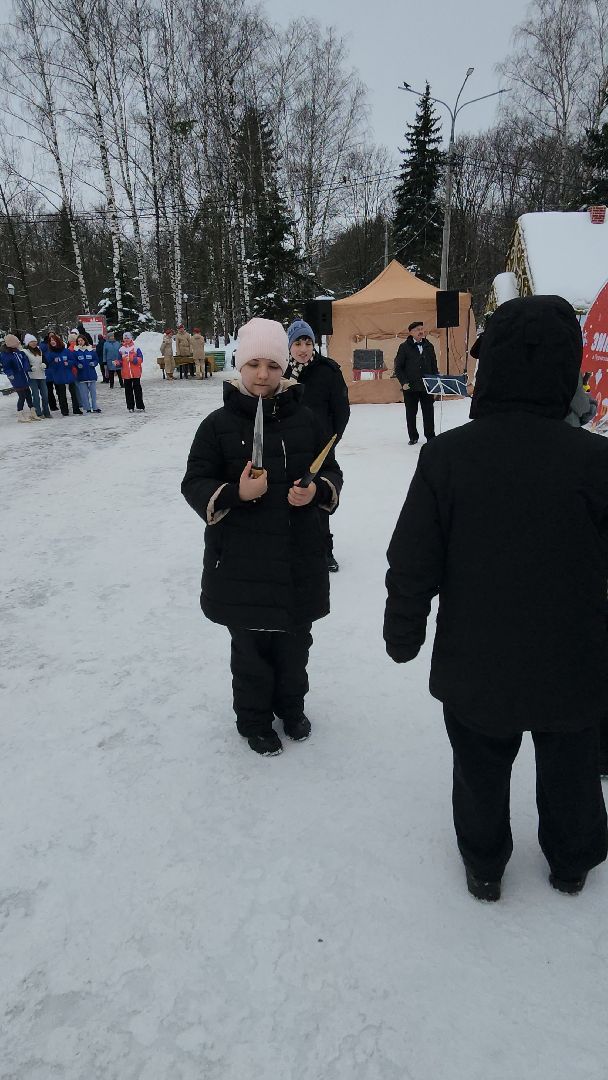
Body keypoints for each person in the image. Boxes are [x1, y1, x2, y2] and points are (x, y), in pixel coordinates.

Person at [384, 295, 608, 902]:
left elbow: (412, 559)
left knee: (479, 769)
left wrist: (403, 629)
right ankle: (571, 859)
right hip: (576, 660)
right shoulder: (596, 461)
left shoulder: (449, 457)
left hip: (476, 660)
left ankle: (485, 864)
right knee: (572, 768)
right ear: (567, 369)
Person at [181, 316, 342, 757]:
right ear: (240, 364)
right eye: (253, 363)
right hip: (241, 564)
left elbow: (331, 472)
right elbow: (194, 482)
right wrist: (235, 491)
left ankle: (291, 707)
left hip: (296, 559)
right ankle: (253, 718)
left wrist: (314, 491)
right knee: (250, 651)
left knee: (295, 645)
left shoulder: (307, 421)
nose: (262, 374)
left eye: (272, 365)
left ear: (284, 366)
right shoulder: (216, 425)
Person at [286, 318, 350, 572]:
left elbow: (341, 411)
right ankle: (293, 547)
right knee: (291, 496)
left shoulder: (328, 370)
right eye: (298, 343)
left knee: (318, 497)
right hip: (288, 446)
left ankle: (325, 550)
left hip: (319, 450)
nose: (303, 348)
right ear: (289, 346)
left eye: (308, 342)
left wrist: (331, 441)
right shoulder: (282, 373)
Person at [394, 321, 438, 444]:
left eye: (422, 329)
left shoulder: (429, 346)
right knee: (411, 413)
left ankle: (430, 436)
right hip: (410, 386)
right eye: (418, 329)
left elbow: (434, 366)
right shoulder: (404, 347)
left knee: (428, 412)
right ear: (411, 332)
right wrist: (403, 382)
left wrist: (434, 382)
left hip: (426, 386)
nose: (421, 331)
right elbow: (398, 368)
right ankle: (413, 437)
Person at [41, 332, 83, 415]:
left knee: (73, 393)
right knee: (61, 394)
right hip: (58, 375)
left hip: (68, 374)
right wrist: (54, 362)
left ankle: (76, 408)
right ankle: (64, 410)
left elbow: (72, 361)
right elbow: (48, 365)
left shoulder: (66, 351)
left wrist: (68, 363)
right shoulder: (49, 353)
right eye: (51, 340)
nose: (52, 341)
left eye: (54, 340)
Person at [0, 334, 39, 422]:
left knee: (28, 394)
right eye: (16, 342)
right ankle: (20, 414)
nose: (18, 343)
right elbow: (6, 367)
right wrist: (10, 374)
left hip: (24, 376)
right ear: (11, 344)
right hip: (16, 378)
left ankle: (33, 412)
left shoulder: (18, 352)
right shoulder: (5, 355)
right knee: (22, 396)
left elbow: (24, 359)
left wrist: (27, 367)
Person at [22, 333, 51, 418]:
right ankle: (38, 412)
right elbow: (25, 363)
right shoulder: (25, 352)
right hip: (32, 377)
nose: (34, 343)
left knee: (45, 395)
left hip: (41, 376)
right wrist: (30, 367)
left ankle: (46, 412)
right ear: (27, 343)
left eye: (35, 341)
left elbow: (45, 360)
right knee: (36, 396)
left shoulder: (39, 350)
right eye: (31, 342)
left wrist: (44, 364)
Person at [118, 331, 145, 411]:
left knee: (137, 390)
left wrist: (132, 359)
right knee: (128, 390)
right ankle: (130, 406)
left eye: (127, 338)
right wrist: (117, 363)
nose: (126, 340)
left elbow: (141, 359)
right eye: (125, 338)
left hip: (135, 373)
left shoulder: (136, 348)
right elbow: (119, 361)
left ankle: (140, 406)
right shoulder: (121, 349)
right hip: (126, 374)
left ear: (131, 339)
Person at [74, 334, 100, 413]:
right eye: (78, 341)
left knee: (93, 394)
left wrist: (94, 363)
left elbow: (96, 359)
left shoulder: (90, 350)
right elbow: (74, 361)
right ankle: (87, 408)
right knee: (84, 394)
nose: (80, 342)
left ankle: (95, 407)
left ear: (85, 340)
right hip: (81, 375)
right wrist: (78, 364)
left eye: (81, 340)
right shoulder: (76, 351)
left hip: (91, 374)